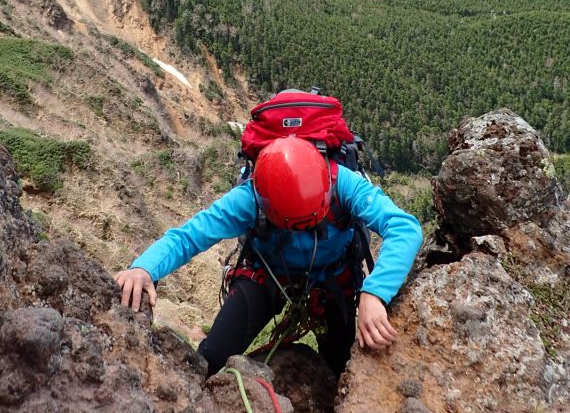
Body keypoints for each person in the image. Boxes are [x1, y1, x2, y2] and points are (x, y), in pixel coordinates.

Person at [116, 135, 422, 376]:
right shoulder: (249, 199)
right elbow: (189, 236)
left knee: (341, 367)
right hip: (267, 276)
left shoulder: (343, 182)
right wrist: (145, 267)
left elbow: (405, 228)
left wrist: (374, 293)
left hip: (333, 279)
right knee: (210, 359)